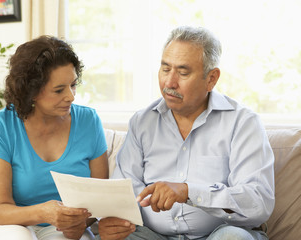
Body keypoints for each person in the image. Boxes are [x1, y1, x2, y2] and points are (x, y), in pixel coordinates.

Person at [97, 26, 275, 240]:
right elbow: (123, 194)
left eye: (183, 72)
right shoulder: (142, 122)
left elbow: (258, 202)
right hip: (153, 235)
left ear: (211, 78)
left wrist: (189, 192)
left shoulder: (243, 123)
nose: (169, 83)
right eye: (165, 69)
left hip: (219, 234)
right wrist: (113, 223)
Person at [0, 35, 108, 240]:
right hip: (0, 223)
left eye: (73, 84)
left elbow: (99, 198)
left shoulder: (89, 121)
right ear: (31, 91)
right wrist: (44, 212)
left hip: (59, 228)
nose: (71, 96)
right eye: (59, 90)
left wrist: (81, 222)